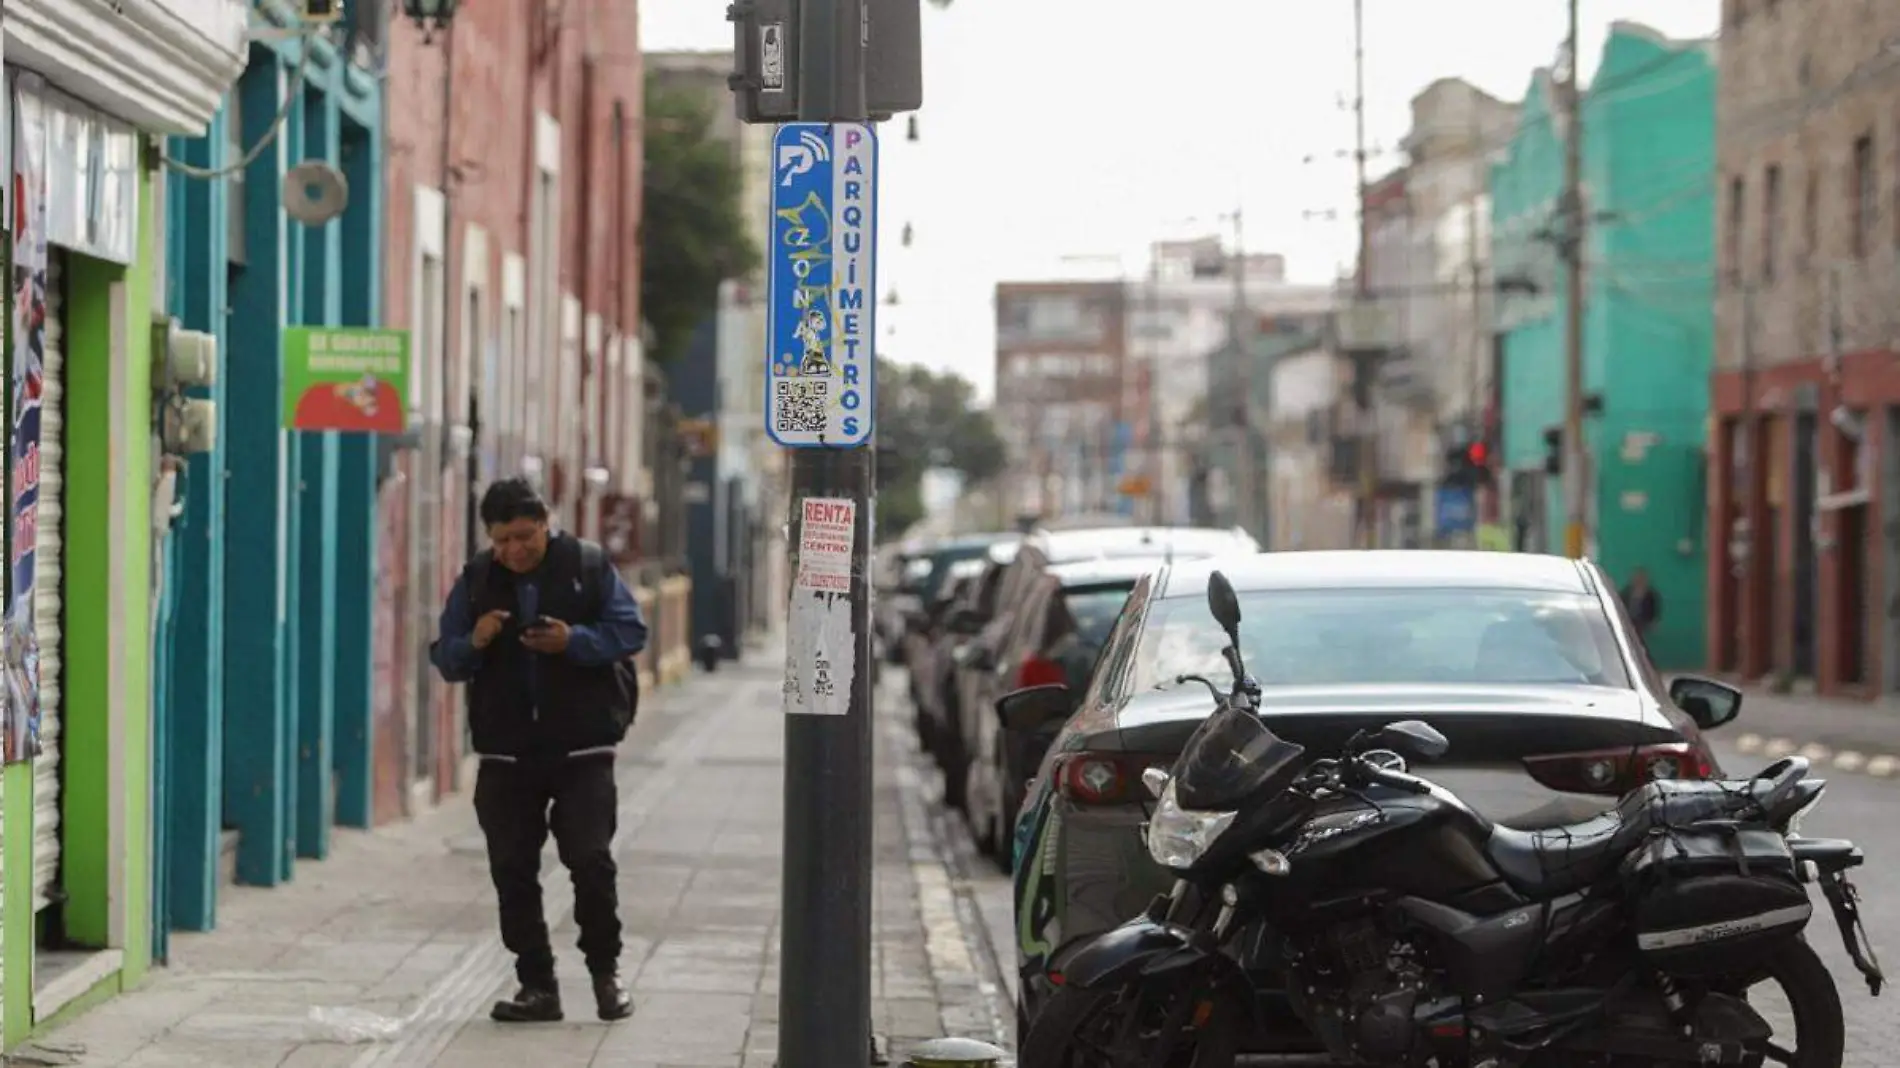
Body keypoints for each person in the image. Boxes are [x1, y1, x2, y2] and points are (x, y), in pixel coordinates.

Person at [430, 478, 648, 1024]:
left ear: (547, 522)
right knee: (512, 868)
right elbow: (447, 658)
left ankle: (606, 974)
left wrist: (573, 642)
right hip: (506, 753)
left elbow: (630, 630)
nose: (514, 551)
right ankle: (537, 985)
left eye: (525, 536)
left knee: (590, 860)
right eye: (502, 540)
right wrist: (474, 641)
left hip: (582, 748)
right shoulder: (478, 579)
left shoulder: (588, 566)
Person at [1621, 567, 1661, 647]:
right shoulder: (1627, 592)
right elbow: (1620, 604)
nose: (1639, 581)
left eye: (1641, 579)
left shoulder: (1650, 595)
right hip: (1628, 620)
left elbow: (1654, 610)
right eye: (1637, 578)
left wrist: (1653, 622)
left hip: (1642, 623)